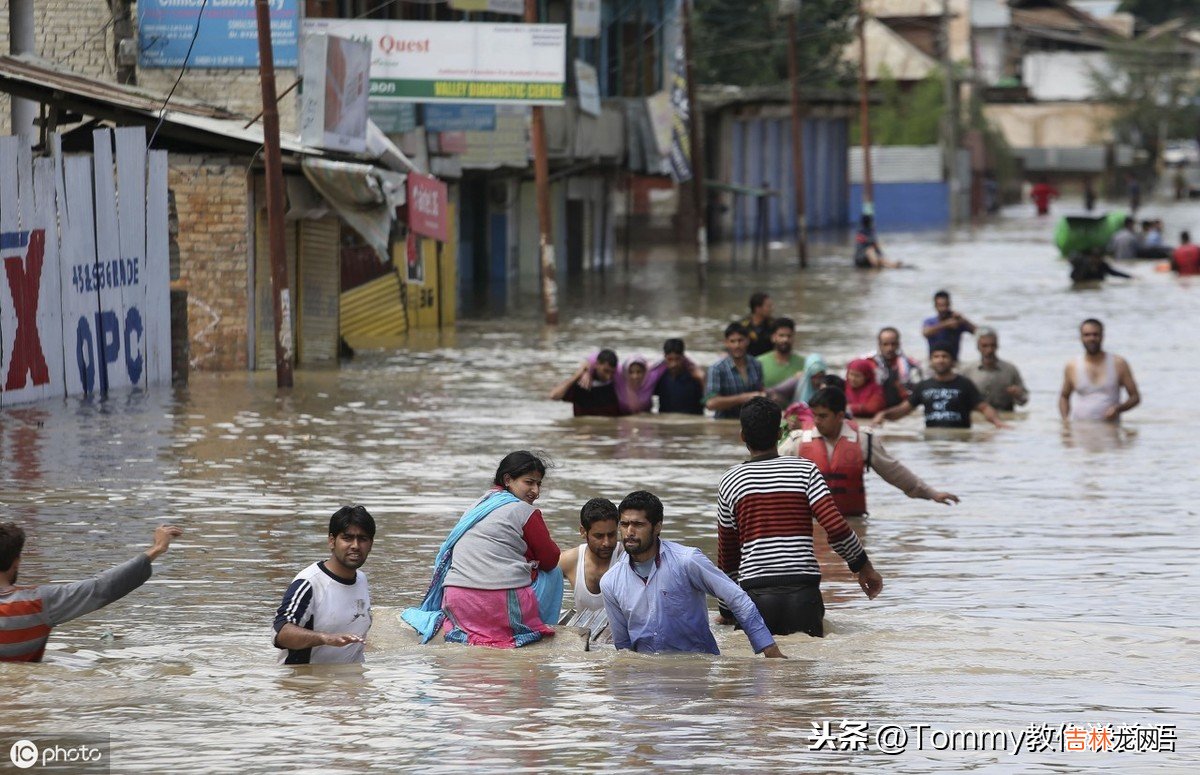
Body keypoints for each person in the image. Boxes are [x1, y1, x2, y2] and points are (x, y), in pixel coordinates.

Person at [716, 398, 882, 638]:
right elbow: (836, 527)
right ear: (780, 433)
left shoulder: (730, 480)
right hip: (803, 593)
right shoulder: (805, 470)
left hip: (756, 597)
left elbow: (728, 554)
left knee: (754, 672)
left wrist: (727, 609)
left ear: (743, 436)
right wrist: (864, 568)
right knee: (805, 671)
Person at [402, 452, 562, 648]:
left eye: (539, 484)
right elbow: (550, 559)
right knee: (554, 572)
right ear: (508, 480)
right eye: (529, 482)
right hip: (498, 606)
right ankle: (536, 625)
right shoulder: (525, 511)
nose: (535, 491)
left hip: (456, 602)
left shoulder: (478, 504)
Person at [600, 490, 785, 657]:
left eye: (638, 524)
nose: (629, 532)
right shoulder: (611, 582)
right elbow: (623, 647)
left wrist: (769, 649)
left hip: (698, 670)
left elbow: (736, 598)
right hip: (645, 675)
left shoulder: (687, 561)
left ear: (657, 527)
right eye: (624, 524)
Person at [0, 523, 182, 662]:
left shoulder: (40, 602)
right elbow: (102, 587)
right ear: (16, 561)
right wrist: (157, 548)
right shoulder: (38, 603)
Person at [780, 388, 958, 518]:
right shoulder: (798, 441)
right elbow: (765, 467)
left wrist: (932, 494)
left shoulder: (864, 440)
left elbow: (894, 472)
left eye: (823, 416)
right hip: (810, 524)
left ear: (840, 415)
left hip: (852, 524)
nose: (817, 421)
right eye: (815, 415)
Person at [274, 506, 376, 665]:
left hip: (352, 683)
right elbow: (281, 633)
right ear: (331, 541)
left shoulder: (361, 579)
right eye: (347, 538)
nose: (355, 545)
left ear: (371, 544)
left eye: (362, 539)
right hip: (307, 683)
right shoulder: (309, 583)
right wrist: (324, 638)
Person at [874, 345, 1006, 429]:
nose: (940, 360)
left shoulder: (965, 384)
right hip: (932, 441)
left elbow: (984, 407)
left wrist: (998, 423)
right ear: (931, 361)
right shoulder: (923, 386)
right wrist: (883, 415)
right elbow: (903, 410)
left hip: (960, 442)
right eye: (936, 357)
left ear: (952, 361)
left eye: (944, 356)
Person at [1059, 319, 1140, 423]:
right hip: (1079, 430)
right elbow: (1064, 396)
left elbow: (1135, 397)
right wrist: (1065, 421)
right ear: (1081, 338)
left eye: (1095, 334)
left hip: (1109, 429)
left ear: (1102, 336)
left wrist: (1118, 409)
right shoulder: (1072, 366)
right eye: (1087, 335)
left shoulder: (1118, 364)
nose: (1092, 338)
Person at [557, 498, 623, 613]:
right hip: (584, 630)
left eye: (611, 535)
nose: (606, 543)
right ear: (583, 532)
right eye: (599, 536)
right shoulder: (568, 561)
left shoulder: (627, 558)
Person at [705, 323, 766, 419]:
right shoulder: (716, 369)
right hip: (724, 423)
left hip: (752, 422)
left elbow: (761, 391)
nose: (737, 345)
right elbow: (710, 403)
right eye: (732, 341)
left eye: (740, 340)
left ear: (747, 341)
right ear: (726, 343)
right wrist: (743, 398)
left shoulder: (756, 364)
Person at [961, 327, 1029, 411]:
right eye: (984, 346)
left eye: (992, 345)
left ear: (997, 346)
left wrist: (1018, 394)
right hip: (977, 419)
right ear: (978, 347)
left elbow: (1024, 400)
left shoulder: (1010, 370)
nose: (989, 350)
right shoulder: (967, 371)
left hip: (1004, 417)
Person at [549, 349, 621, 417]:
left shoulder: (616, 384)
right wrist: (578, 374)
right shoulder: (582, 383)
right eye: (606, 371)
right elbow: (554, 396)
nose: (608, 376)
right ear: (597, 365)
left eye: (612, 372)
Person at [865, 327, 923, 409]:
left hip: (901, 408)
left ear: (899, 344)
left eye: (893, 344)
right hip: (874, 407)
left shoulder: (911, 364)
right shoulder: (867, 362)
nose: (890, 348)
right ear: (879, 345)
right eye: (885, 344)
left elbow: (918, 391)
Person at [654, 338, 706, 414]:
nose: (674, 364)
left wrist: (703, 381)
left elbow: (708, 400)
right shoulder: (659, 377)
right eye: (670, 359)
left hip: (692, 420)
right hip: (666, 420)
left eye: (677, 359)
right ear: (664, 357)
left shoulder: (695, 377)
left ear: (683, 357)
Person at [922, 290, 976, 361]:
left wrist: (963, 320)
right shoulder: (930, 322)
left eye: (945, 305)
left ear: (950, 305)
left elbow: (979, 333)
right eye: (940, 306)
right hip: (934, 362)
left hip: (954, 362)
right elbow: (925, 332)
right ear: (935, 306)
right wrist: (945, 324)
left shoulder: (957, 322)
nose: (943, 309)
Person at [757, 317, 805, 388]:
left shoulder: (804, 363)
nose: (785, 339)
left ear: (793, 338)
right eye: (781, 335)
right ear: (773, 337)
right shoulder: (758, 363)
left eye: (789, 336)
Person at [739, 292, 774, 358]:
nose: (772, 309)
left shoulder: (774, 325)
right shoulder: (742, 326)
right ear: (757, 308)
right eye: (769, 306)